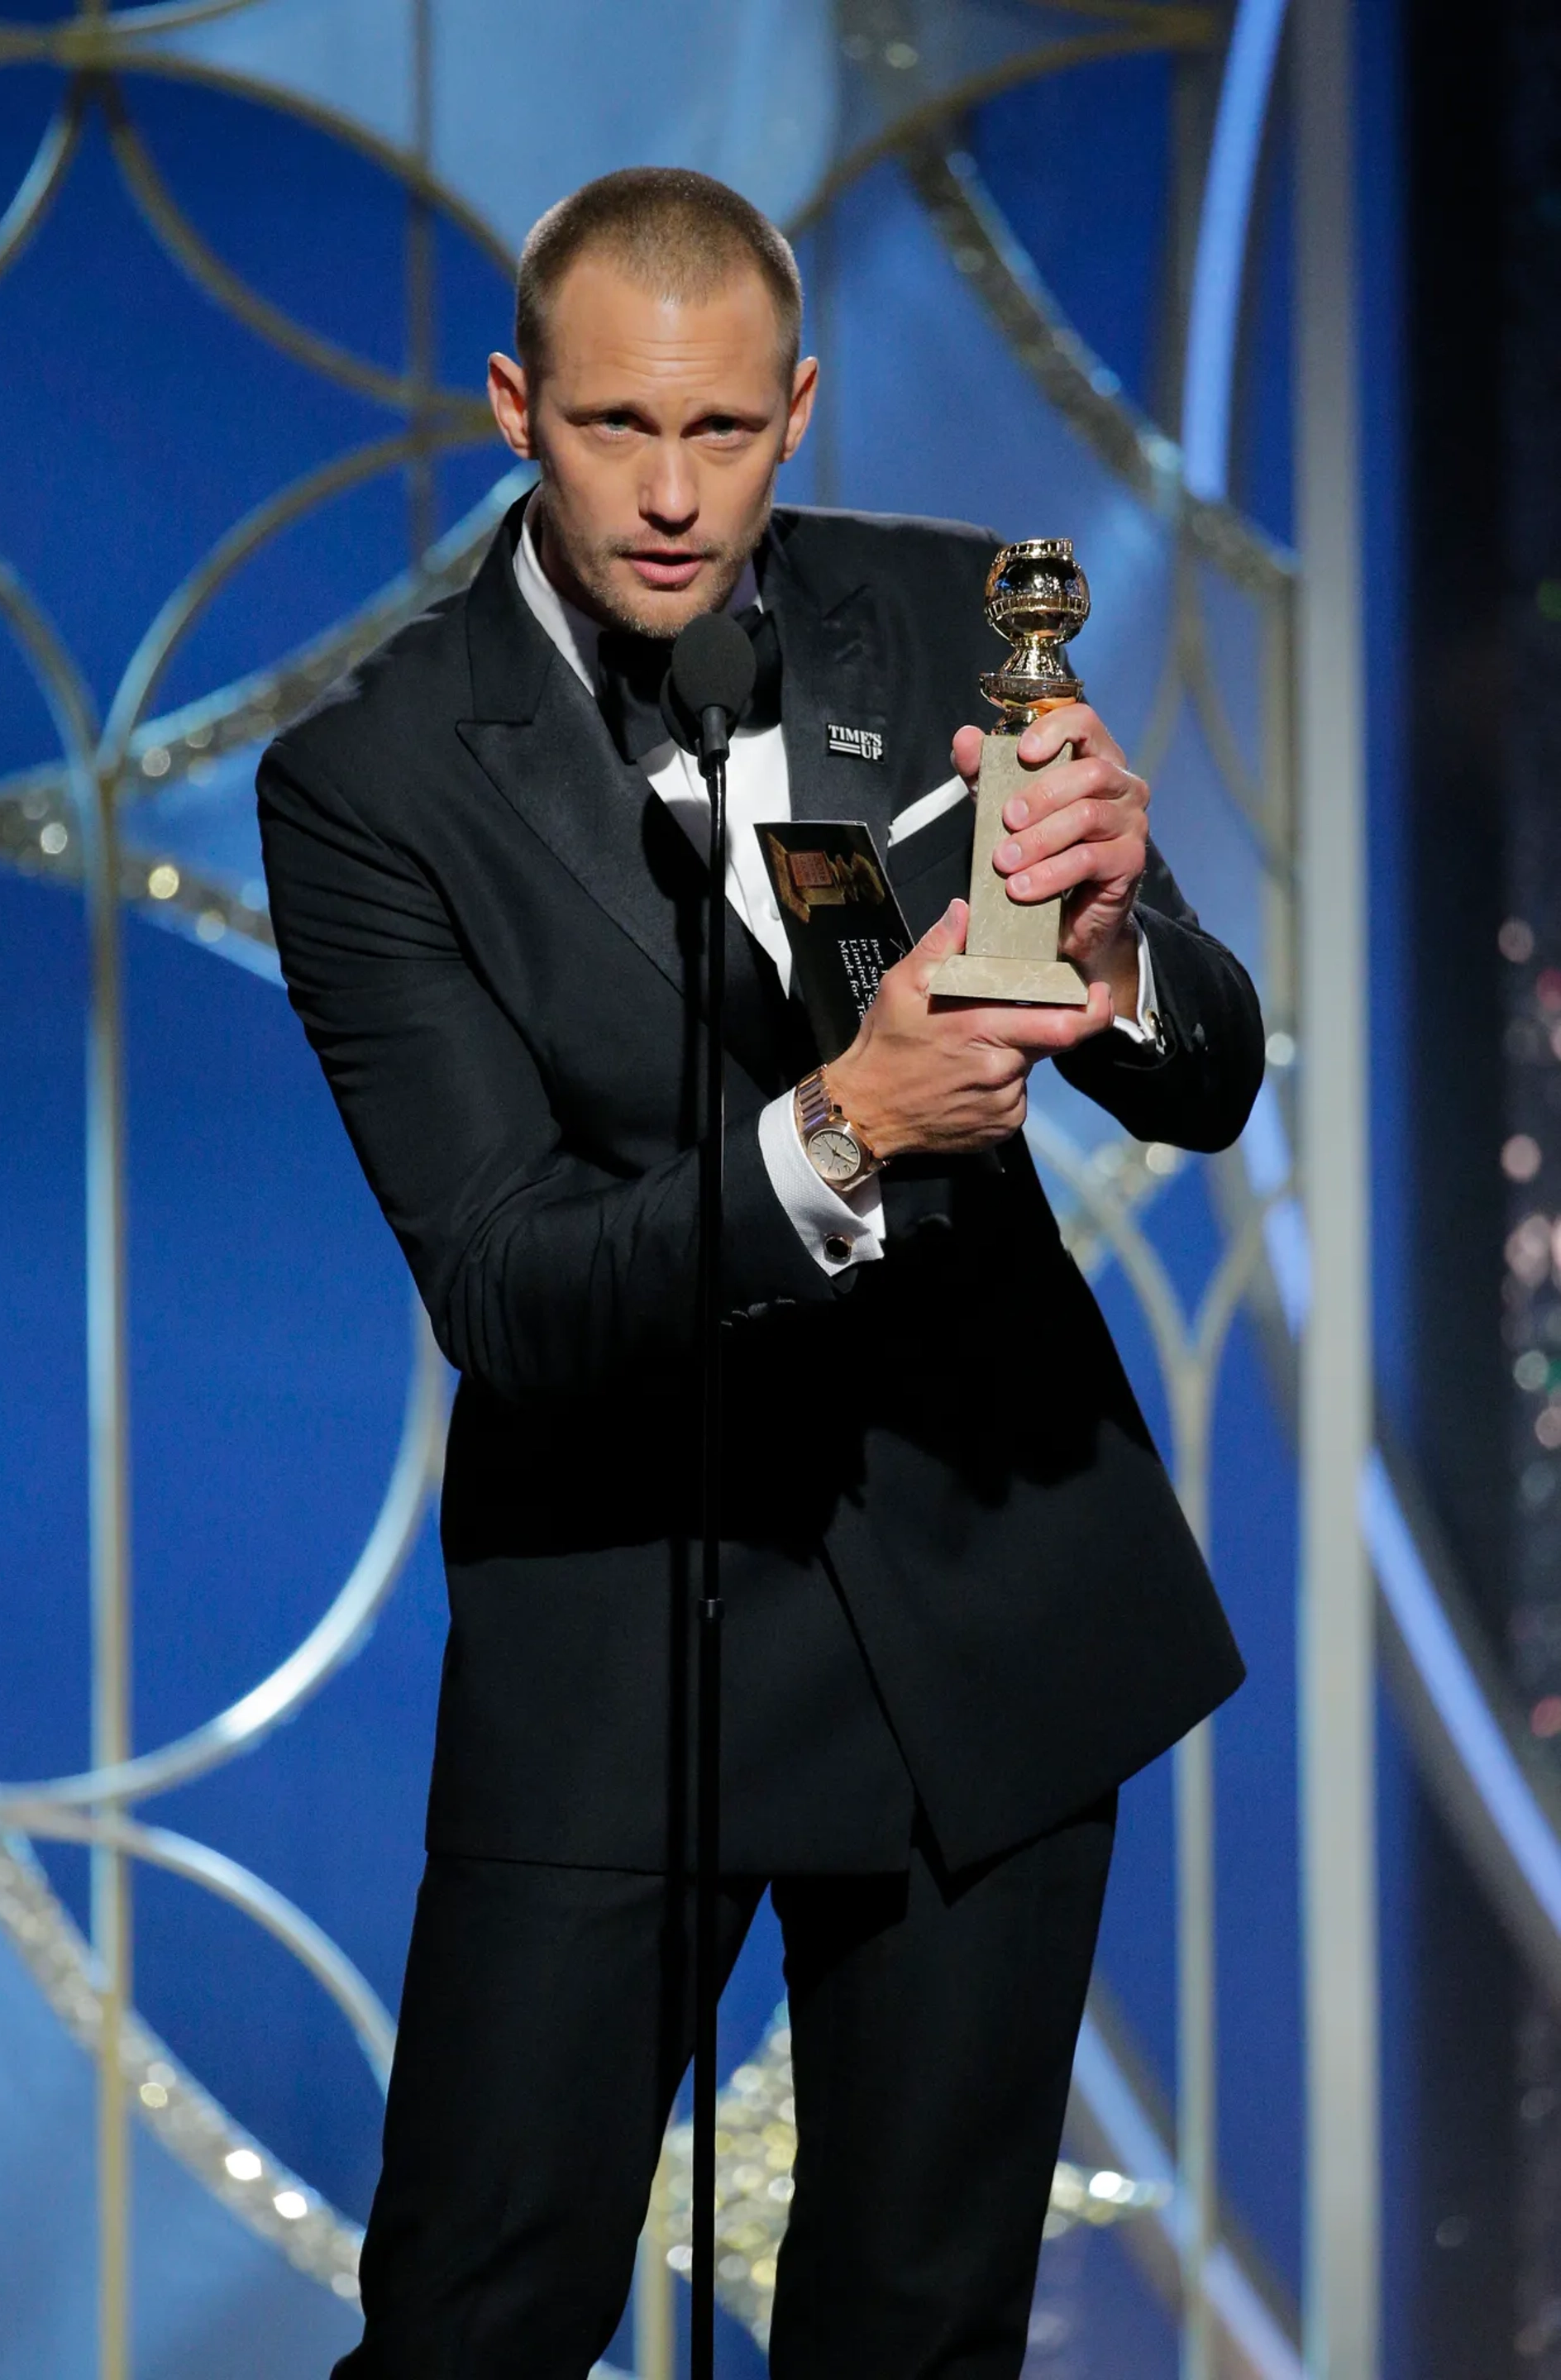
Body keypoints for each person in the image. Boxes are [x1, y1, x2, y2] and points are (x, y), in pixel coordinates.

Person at [258, 165, 1262, 2380]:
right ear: (516, 406)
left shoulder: (945, 625)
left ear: (797, 410)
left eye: (721, 433)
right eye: (618, 428)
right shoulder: (373, 780)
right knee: (472, 2324)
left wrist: (1117, 976)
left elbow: (1208, 1070)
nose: (672, 494)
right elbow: (510, 1283)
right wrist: (841, 1132)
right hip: (623, 1626)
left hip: (984, 1595)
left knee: (916, 2339)